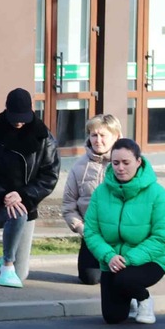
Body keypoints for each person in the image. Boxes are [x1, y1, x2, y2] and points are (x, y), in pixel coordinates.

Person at [0, 88, 58, 288]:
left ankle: (8, 263)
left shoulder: (44, 137)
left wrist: (23, 196)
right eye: (15, 117)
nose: (19, 122)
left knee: (22, 274)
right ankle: (8, 264)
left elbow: (49, 175)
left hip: (24, 204)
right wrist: (2, 195)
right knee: (17, 214)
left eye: (23, 117)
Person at [83, 138, 165, 325]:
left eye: (126, 162)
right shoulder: (100, 192)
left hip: (149, 260)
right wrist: (108, 256)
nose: (120, 168)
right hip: (112, 261)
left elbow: (161, 237)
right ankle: (129, 298)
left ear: (138, 162)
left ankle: (144, 299)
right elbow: (91, 232)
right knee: (113, 317)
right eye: (115, 163)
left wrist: (129, 259)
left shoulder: (157, 193)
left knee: (125, 280)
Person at [61, 114, 120, 286]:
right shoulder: (79, 167)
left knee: (122, 276)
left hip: (122, 236)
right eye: (94, 135)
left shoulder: (127, 163)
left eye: (103, 135)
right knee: (90, 279)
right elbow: (68, 206)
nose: (98, 140)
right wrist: (83, 229)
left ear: (116, 136)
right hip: (92, 235)